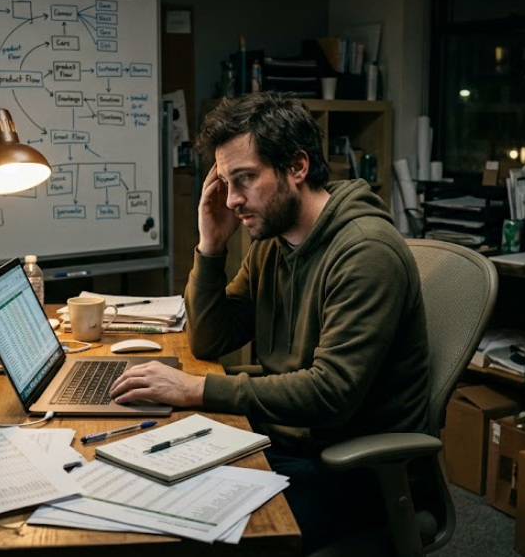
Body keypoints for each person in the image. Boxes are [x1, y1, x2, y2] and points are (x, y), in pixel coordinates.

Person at [109, 92, 430, 551]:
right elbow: (211, 339)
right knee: (148, 485)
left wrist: (198, 390)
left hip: (357, 474)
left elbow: (330, 393)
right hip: (291, 443)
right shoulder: (274, 241)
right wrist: (210, 248)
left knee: (189, 525)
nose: (234, 200)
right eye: (225, 182)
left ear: (296, 167)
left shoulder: (365, 253)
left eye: (245, 179)